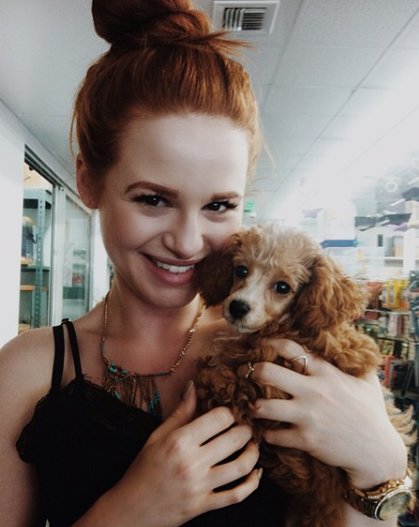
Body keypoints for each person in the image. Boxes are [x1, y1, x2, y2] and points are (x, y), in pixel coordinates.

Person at [0, 1, 411, 526]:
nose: (188, 242)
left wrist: (382, 466)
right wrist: (128, 512)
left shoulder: (299, 362)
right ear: (88, 181)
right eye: (153, 199)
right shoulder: (28, 371)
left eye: (218, 205)